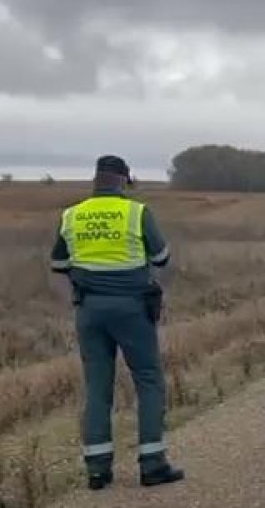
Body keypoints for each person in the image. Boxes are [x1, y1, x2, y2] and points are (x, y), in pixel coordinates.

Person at [49, 155, 184, 490]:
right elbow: (162, 258)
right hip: (132, 310)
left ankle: (97, 470)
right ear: (124, 180)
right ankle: (152, 464)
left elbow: (58, 262)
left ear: (96, 179)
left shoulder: (72, 214)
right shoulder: (136, 213)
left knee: (97, 387)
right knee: (148, 380)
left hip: (89, 310)